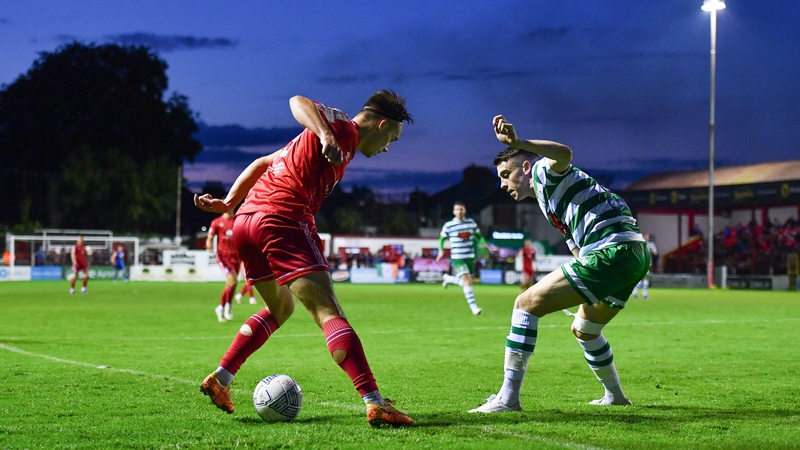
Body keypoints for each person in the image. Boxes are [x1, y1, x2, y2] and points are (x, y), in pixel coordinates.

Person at [193, 90, 415, 426]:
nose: (387, 148)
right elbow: (297, 101)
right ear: (381, 124)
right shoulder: (343, 129)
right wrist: (325, 133)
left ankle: (221, 379)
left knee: (281, 308)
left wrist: (228, 203)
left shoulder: (332, 143)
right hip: (282, 219)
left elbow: (262, 163)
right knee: (329, 313)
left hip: (246, 222)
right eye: (392, 139)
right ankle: (375, 402)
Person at [469, 115, 649, 413]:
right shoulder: (550, 198)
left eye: (505, 174)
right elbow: (577, 248)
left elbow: (564, 153)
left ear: (524, 166)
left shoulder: (542, 171)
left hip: (613, 249)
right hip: (633, 254)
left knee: (525, 304)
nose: (502, 184)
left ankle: (508, 399)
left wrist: (518, 142)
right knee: (585, 329)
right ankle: (616, 396)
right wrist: (580, 286)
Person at [437, 202, 486, 315]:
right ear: (454, 212)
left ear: (465, 211)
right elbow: (442, 238)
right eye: (457, 210)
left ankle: (449, 279)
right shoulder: (449, 225)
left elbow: (479, 236)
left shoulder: (471, 223)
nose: (459, 212)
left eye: (461, 209)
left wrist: (484, 244)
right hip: (458, 258)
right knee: (467, 281)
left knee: (466, 282)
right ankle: (474, 308)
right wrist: (440, 250)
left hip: (470, 257)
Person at [207, 211, 241, 322]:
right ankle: (227, 306)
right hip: (223, 256)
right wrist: (209, 247)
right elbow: (210, 236)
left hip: (236, 257)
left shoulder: (237, 220)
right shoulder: (217, 222)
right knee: (234, 281)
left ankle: (221, 307)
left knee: (231, 285)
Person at [631, 234, 658, 299]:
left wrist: (652, 251)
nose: (647, 238)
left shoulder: (651, 244)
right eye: (645, 237)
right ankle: (642, 294)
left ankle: (638, 293)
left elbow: (656, 253)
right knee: (641, 279)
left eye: (648, 237)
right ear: (643, 237)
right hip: (641, 264)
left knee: (646, 279)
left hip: (648, 264)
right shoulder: (639, 244)